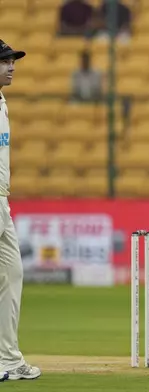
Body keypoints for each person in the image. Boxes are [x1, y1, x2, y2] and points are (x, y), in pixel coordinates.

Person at [0, 39, 41, 381]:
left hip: (2, 201)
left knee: (11, 276)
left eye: (12, 61)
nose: (11, 66)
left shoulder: (1, 101)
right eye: (5, 62)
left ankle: (8, 360)